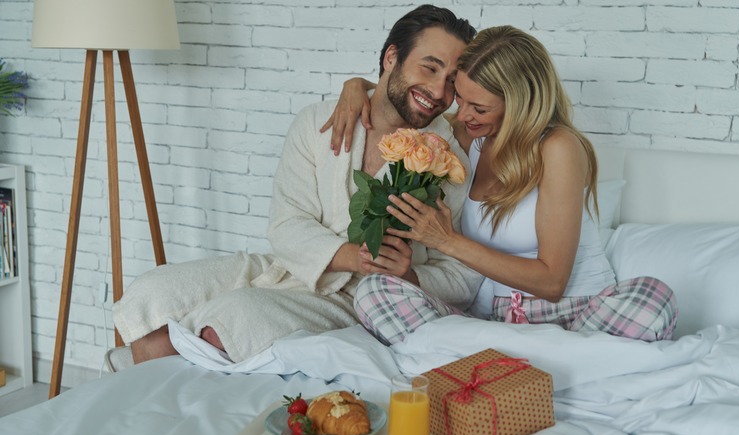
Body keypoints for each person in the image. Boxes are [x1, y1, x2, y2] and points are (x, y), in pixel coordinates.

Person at [112, 5, 483, 365]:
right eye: (430, 67)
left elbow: (461, 276)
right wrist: (355, 255)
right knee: (154, 294)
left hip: (352, 299)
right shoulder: (317, 122)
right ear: (391, 57)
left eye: (452, 80)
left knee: (230, 322)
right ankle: (149, 398)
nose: (439, 90)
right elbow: (286, 225)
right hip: (286, 268)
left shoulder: (447, 160)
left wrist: (409, 274)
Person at [327, 25, 678, 345]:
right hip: (492, 323)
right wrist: (357, 87)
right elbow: (412, 103)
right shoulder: (468, 134)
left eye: (479, 107)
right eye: (460, 97)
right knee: (374, 291)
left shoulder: (557, 147)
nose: (463, 114)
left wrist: (447, 240)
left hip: (579, 316)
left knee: (653, 300)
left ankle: (503, 368)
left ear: (520, 104)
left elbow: (552, 283)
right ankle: (535, 368)